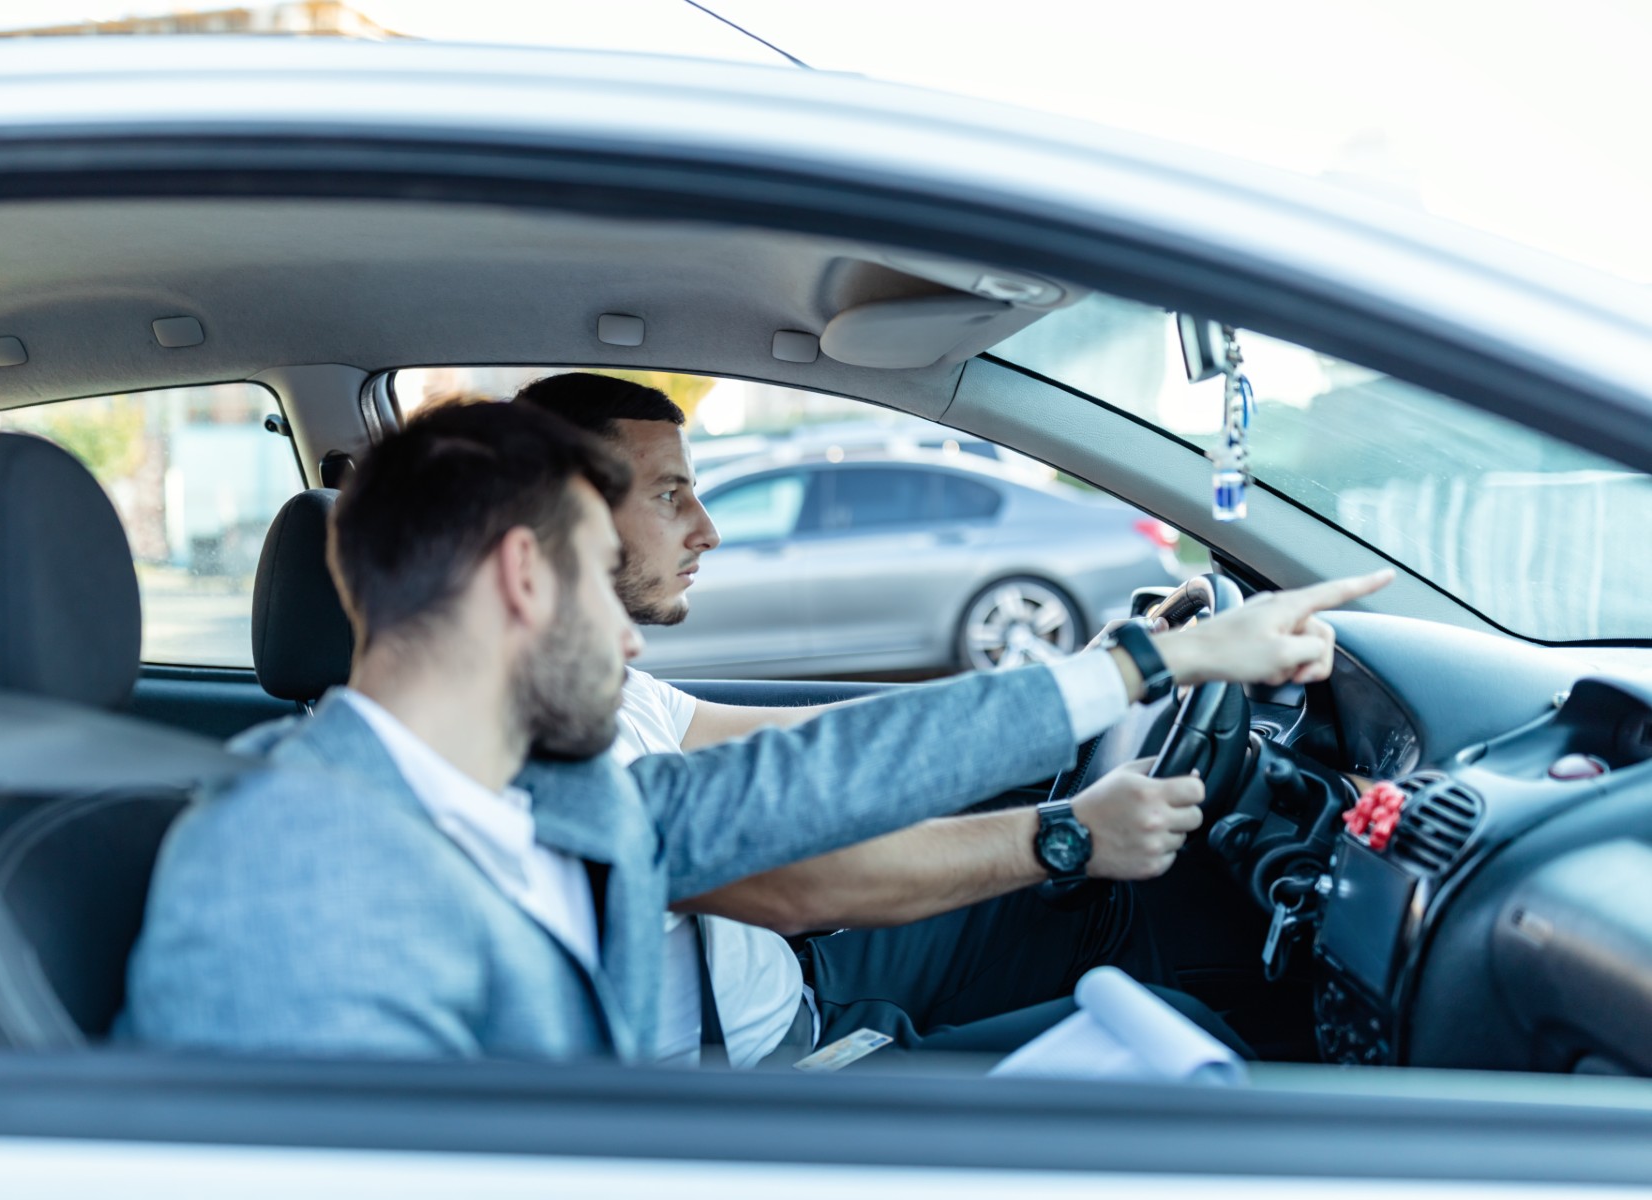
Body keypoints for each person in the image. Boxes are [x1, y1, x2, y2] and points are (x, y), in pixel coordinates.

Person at [118, 397, 1388, 1063]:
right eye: (595, 579)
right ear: (522, 579)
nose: (629, 638)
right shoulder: (284, 864)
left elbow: (824, 769)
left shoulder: (549, 797)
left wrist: (1148, 660)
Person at [512, 375, 1234, 1065]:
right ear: (564, 518)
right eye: (671, 496)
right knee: (1185, 1030)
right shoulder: (548, 747)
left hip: (800, 984)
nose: (708, 531)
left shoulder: (616, 690)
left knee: (1085, 907)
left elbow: (821, 741)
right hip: (776, 1074)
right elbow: (801, 887)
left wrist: (1073, 684)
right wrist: (1072, 834)